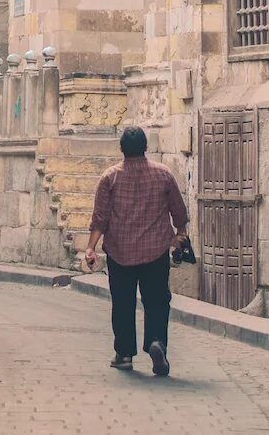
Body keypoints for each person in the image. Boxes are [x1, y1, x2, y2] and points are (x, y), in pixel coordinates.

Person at [85, 126, 189, 376]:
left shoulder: (110, 178)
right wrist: (181, 233)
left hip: (120, 252)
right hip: (155, 251)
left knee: (122, 303)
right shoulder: (163, 174)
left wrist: (90, 248)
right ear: (145, 147)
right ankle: (156, 341)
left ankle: (124, 354)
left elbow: (100, 218)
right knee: (157, 300)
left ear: (122, 149)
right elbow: (179, 210)